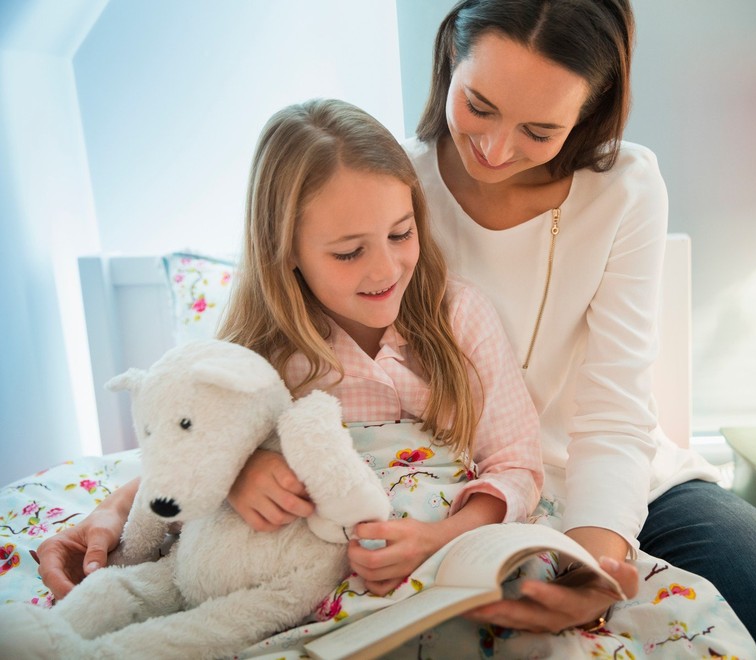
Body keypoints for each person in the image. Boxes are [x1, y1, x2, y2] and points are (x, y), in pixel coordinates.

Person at [38, 1, 756, 658]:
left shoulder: (627, 191)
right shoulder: (380, 185)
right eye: (479, 106)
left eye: (541, 130)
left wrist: (584, 558)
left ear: (590, 113)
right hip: (442, 479)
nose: (498, 150)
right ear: (449, 65)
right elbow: (226, 380)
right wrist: (125, 510)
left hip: (613, 483)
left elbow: (614, 413)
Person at [36, 97, 546, 601]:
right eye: (349, 252)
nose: (386, 270)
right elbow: (185, 453)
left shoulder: (459, 316)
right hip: (302, 575)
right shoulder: (259, 354)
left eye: (400, 233)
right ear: (286, 252)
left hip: (444, 549)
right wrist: (232, 471)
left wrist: (438, 540)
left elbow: (516, 463)